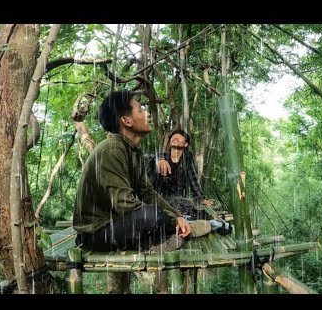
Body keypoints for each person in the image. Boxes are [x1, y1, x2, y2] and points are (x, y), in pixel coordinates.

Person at [73, 90, 210, 253]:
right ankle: (168, 236)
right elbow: (125, 204)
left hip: (117, 224)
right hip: (95, 235)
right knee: (152, 215)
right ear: (126, 121)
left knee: (157, 212)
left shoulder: (132, 151)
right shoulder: (111, 150)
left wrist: (177, 215)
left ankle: (169, 233)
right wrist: (171, 220)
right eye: (140, 110)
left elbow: (147, 193)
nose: (147, 114)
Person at [146, 129, 232, 235]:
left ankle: (200, 224)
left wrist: (200, 198)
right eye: (173, 136)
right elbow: (147, 159)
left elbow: (193, 179)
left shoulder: (186, 161)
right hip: (155, 197)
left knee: (188, 205)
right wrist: (158, 159)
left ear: (185, 144)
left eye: (180, 136)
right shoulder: (161, 157)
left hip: (175, 199)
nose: (175, 137)